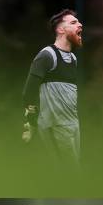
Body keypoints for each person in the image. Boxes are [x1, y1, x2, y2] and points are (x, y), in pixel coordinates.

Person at [21, 9, 83, 168]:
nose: (80, 24)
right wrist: (31, 122)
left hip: (73, 125)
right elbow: (28, 94)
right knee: (69, 175)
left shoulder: (73, 58)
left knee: (73, 173)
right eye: (73, 22)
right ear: (60, 29)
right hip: (55, 125)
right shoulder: (47, 55)